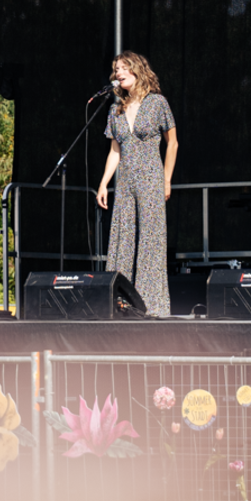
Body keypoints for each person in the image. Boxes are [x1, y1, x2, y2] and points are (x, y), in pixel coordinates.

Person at [95, 52, 179, 316]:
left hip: (151, 177)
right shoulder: (114, 109)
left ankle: (152, 305)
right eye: (115, 69)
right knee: (123, 239)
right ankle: (121, 302)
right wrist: (103, 184)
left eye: (123, 68)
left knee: (150, 241)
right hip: (126, 182)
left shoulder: (157, 103)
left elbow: (173, 143)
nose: (118, 73)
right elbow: (114, 151)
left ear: (137, 70)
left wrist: (166, 179)